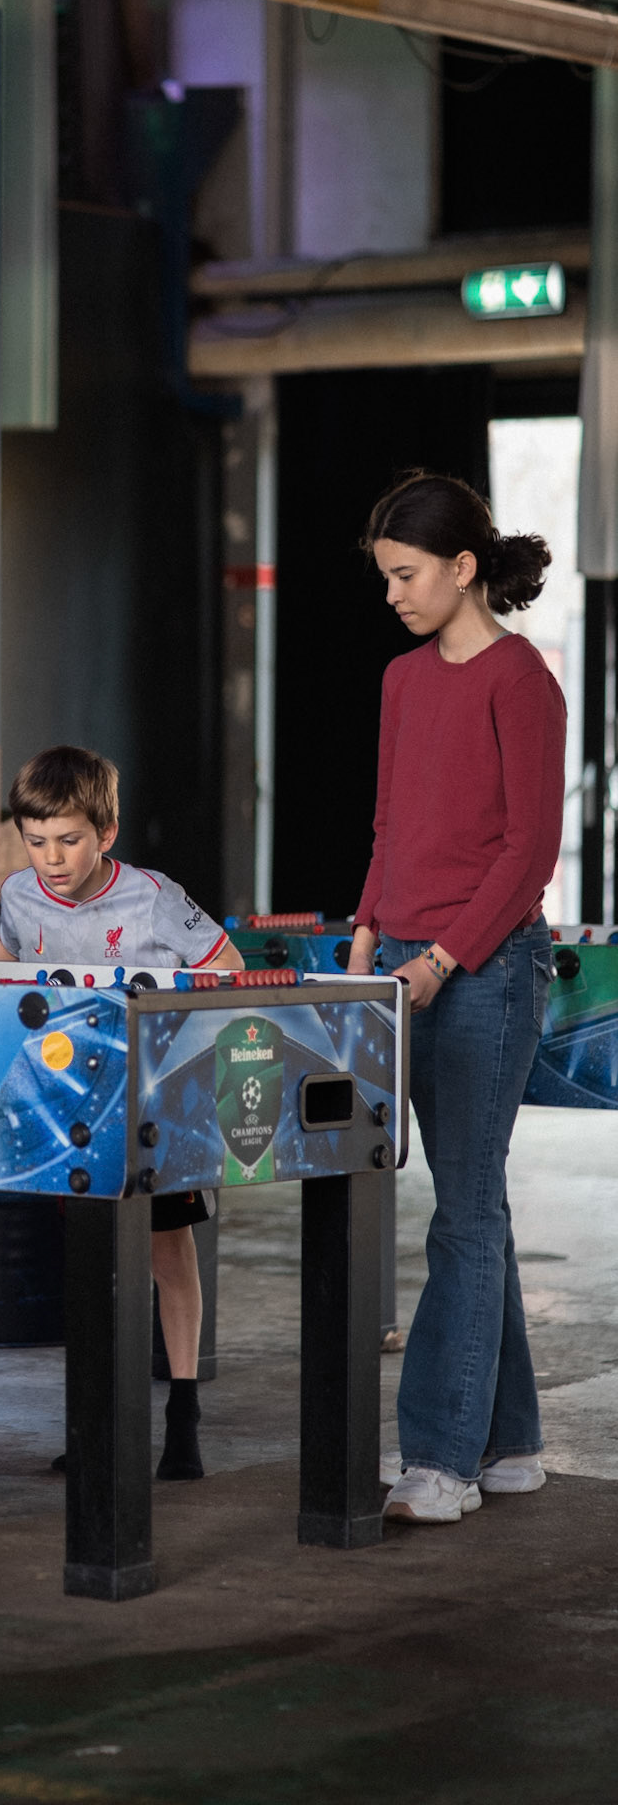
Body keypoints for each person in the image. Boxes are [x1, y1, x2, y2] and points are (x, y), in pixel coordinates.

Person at [348, 470, 564, 1526]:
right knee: (475, 1205)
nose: (392, 594)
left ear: (462, 566)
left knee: (462, 1212)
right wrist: (364, 931)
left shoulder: (520, 679)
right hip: (395, 959)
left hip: (484, 968)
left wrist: (437, 959)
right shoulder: (401, 680)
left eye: (405, 574)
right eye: (385, 577)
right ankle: (511, 1441)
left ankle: (439, 1460)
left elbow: (528, 851)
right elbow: (389, 823)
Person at [0, 744, 243, 1478]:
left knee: (166, 1253)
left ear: (106, 832)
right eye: (35, 841)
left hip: (156, 1098)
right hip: (69, 1104)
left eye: (68, 840)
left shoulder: (154, 898)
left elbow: (227, 969)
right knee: (92, 1261)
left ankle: (182, 1418)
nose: (50, 858)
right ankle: (97, 1421)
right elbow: (7, 950)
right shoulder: (19, 893)